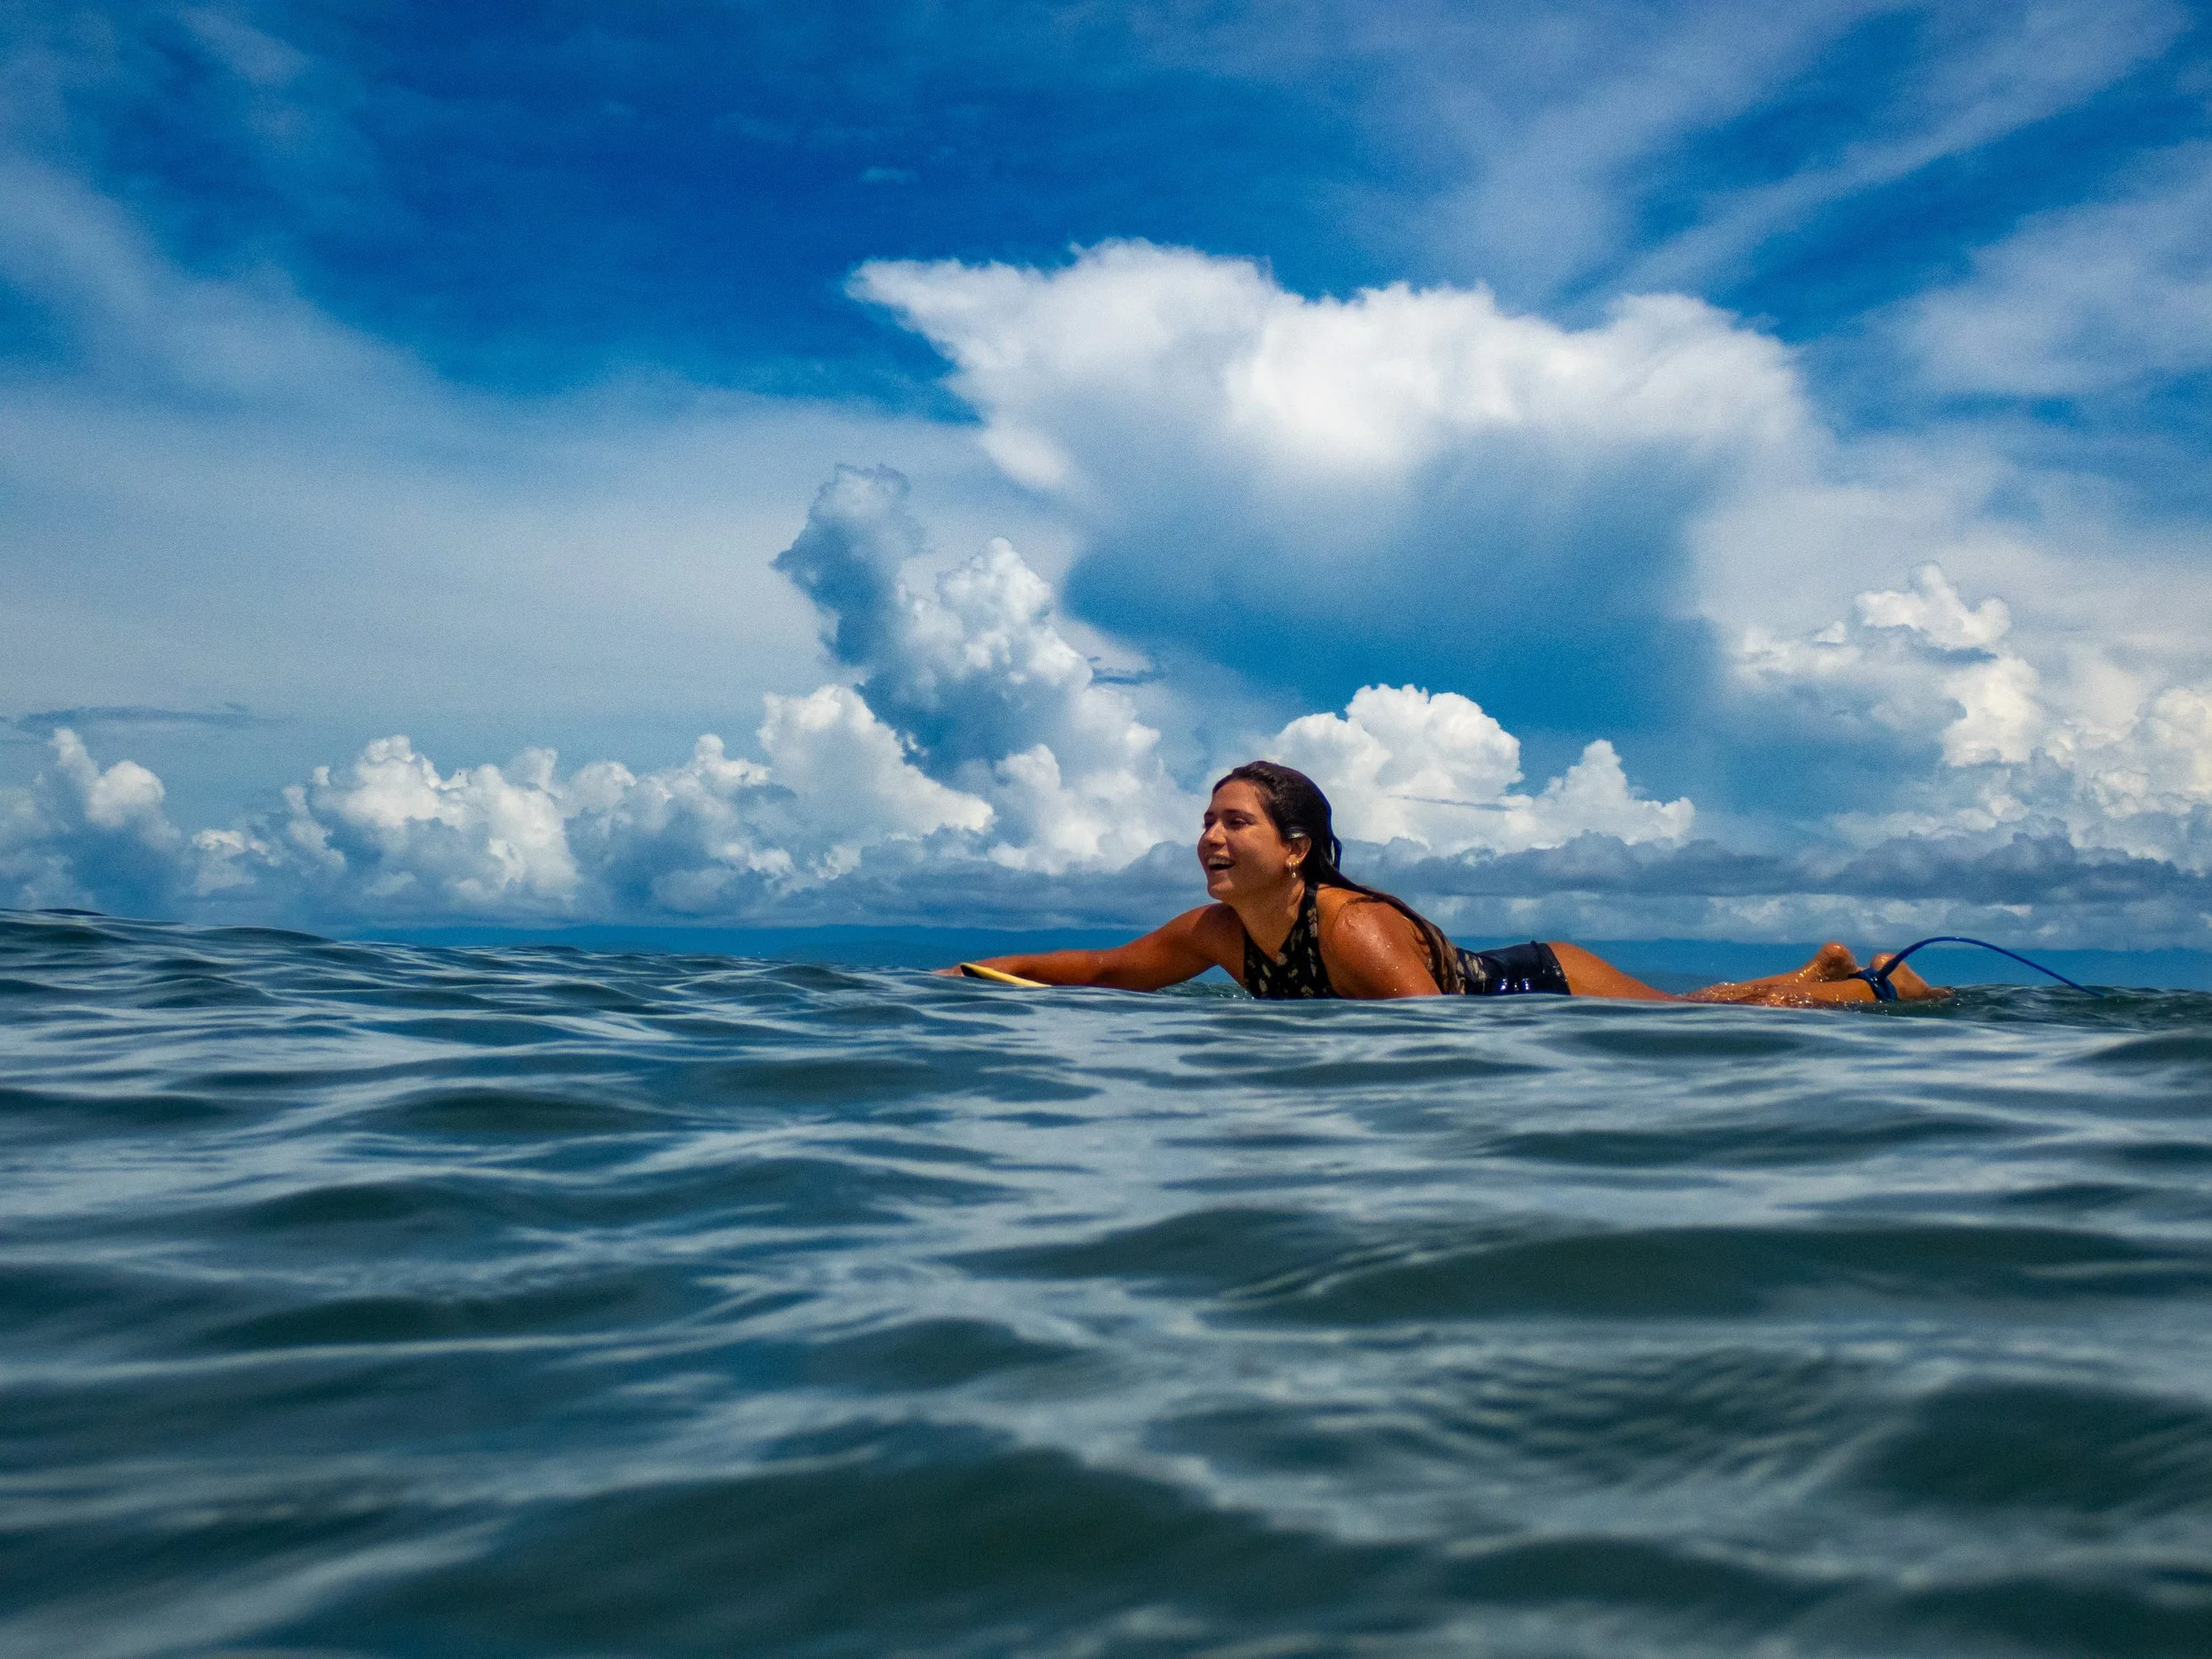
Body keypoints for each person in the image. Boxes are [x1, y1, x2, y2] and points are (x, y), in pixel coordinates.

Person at [949, 761, 1946, 1007]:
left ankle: (1873, 986)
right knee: (1706, 1009)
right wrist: (974, 972)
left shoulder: (1353, 931)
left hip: (1536, 986)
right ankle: (1819, 969)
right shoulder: (1218, 932)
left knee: (1710, 1024)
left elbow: (1438, 1056)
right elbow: (1103, 969)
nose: (1209, 836)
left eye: (1234, 821)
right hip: (1505, 988)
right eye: (1206, 821)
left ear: (1295, 848)